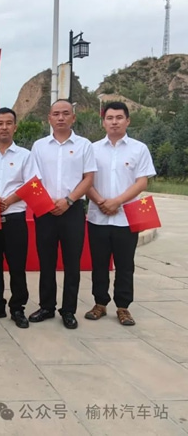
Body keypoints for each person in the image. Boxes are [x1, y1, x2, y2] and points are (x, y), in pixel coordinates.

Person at [85, 101, 156, 326]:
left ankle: (123, 307)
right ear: (103, 122)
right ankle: (100, 303)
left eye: (119, 118)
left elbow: (142, 182)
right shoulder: (92, 149)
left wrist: (117, 202)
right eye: (109, 118)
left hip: (127, 218)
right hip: (98, 217)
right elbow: (85, 180)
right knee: (99, 264)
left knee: (125, 265)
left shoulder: (139, 149)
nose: (114, 122)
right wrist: (100, 201)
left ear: (127, 121)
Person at [29, 99, 96, 329]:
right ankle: (46, 307)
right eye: (56, 113)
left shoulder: (84, 145)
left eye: (65, 113)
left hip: (72, 209)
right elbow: (33, 178)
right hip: (45, 210)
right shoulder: (39, 146)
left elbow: (88, 178)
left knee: (72, 263)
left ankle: (68, 310)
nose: (60, 118)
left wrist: (68, 200)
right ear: (49, 118)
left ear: (73, 118)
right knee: (46, 261)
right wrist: (46, 202)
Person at [0, 107, 37, 329]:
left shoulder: (25, 155)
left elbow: (32, 184)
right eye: (0, 123)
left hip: (15, 217)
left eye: (8, 123)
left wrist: (9, 201)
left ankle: (18, 308)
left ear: (15, 127)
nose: (4, 127)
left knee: (16, 265)